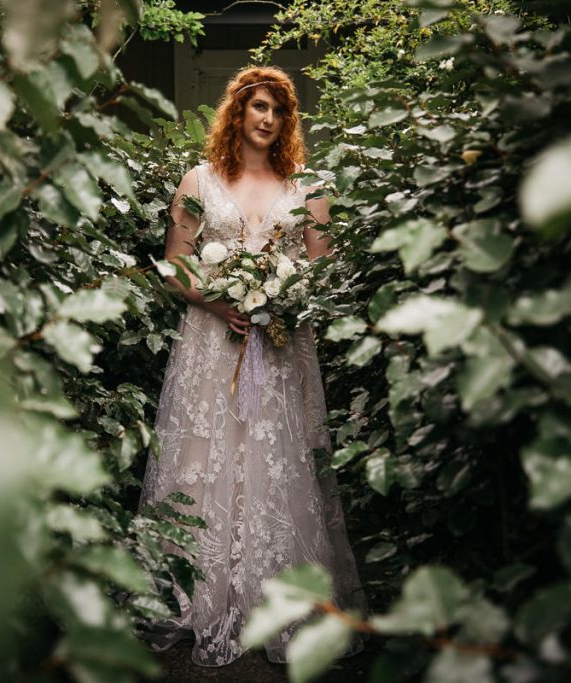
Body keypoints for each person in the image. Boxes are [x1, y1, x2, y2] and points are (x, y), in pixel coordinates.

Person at [136, 66, 367, 667]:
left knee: (277, 460)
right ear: (237, 113)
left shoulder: (307, 187)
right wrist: (220, 301)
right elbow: (176, 264)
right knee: (203, 458)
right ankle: (194, 599)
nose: (268, 119)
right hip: (212, 345)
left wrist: (281, 300)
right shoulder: (198, 180)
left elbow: (322, 272)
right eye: (258, 107)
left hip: (283, 348)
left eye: (279, 111)